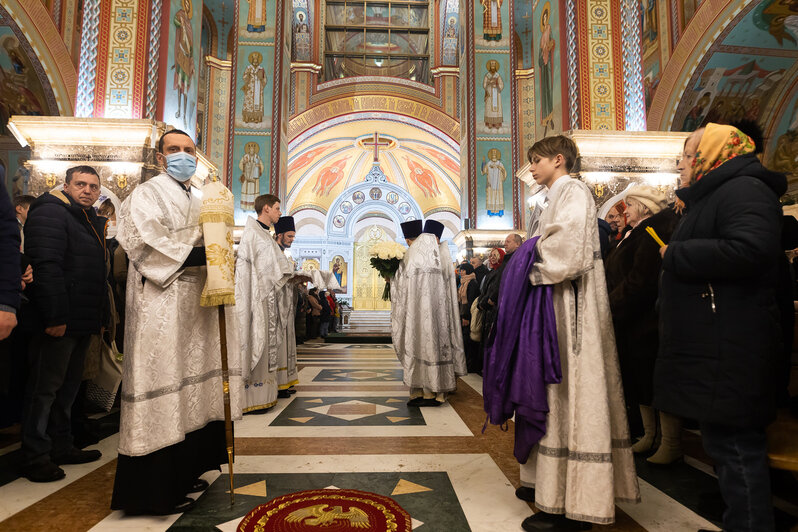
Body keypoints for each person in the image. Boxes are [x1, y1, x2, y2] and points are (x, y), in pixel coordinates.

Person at [654, 124, 786, 532]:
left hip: (732, 345)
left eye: (689, 155)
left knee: (737, 450)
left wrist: (676, 254)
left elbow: (751, 250)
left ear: (713, 155)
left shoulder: (744, 189)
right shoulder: (719, 193)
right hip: (718, 342)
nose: (681, 164)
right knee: (724, 447)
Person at [111, 129, 243, 515]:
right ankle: (154, 489)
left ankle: (185, 471)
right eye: (174, 150)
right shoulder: (147, 193)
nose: (182, 156)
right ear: (160, 155)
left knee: (192, 387)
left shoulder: (202, 197)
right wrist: (202, 255)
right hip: (162, 302)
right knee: (163, 377)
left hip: (196, 305)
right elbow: (141, 241)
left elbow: (216, 239)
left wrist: (217, 255)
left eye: (188, 150)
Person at [519, 136, 639, 530]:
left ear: (559, 159)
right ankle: (550, 489)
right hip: (558, 304)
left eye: (536, 161)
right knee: (557, 396)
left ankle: (577, 507)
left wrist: (526, 264)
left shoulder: (571, 190)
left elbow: (566, 254)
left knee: (573, 393)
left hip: (574, 308)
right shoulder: (555, 194)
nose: (532, 169)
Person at [21, 165, 107, 482]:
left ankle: (61, 444)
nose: (87, 190)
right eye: (80, 184)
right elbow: (46, 266)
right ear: (66, 185)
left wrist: (97, 319)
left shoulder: (83, 219)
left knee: (68, 390)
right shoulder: (51, 213)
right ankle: (34, 455)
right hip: (59, 321)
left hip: (80, 319)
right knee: (44, 390)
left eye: (94, 186)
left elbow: (93, 274)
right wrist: (54, 317)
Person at [604, 185, 681, 465]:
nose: (627, 210)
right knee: (638, 378)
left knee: (654, 380)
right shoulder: (633, 233)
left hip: (645, 318)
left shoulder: (651, 233)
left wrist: (610, 305)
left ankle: (670, 442)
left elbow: (641, 279)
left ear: (645, 208)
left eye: (631, 205)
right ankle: (649, 435)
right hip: (629, 317)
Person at [236, 197, 303, 413]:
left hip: (268, 299)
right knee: (259, 343)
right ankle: (254, 398)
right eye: (276, 208)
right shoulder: (254, 234)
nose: (278, 212)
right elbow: (263, 271)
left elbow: (276, 267)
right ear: (265, 208)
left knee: (267, 346)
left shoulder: (263, 234)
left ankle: (266, 394)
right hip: (258, 299)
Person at [391, 220, 466, 406]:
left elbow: (401, 283)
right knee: (430, 347)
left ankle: (434, 390)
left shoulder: (416, 254)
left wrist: (391, 278)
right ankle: (427, 390)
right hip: (436, 315)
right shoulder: (440, 254)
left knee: (422, 346)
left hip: (423, 316)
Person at [273, 216, 301, 395]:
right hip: (276, 306)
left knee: (288, 342)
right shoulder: (273, 252)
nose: (292, 240)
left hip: (286, 304)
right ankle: (279, 383)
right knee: (279, 342)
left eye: (293, 237)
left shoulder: (282, 254)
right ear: (280, 235)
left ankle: (286, 381)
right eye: (289, 237)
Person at [458, 263, 481, 373]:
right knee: (464, 339)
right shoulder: (463, 282)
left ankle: (471, 365)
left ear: (468, 271)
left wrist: (466, 317)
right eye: (460, 270)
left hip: (469, 315)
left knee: (468, 340)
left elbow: (471, 301)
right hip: (463, 313)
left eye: (463, 270)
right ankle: (466, 362)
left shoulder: (472, 283)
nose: (460, 272)